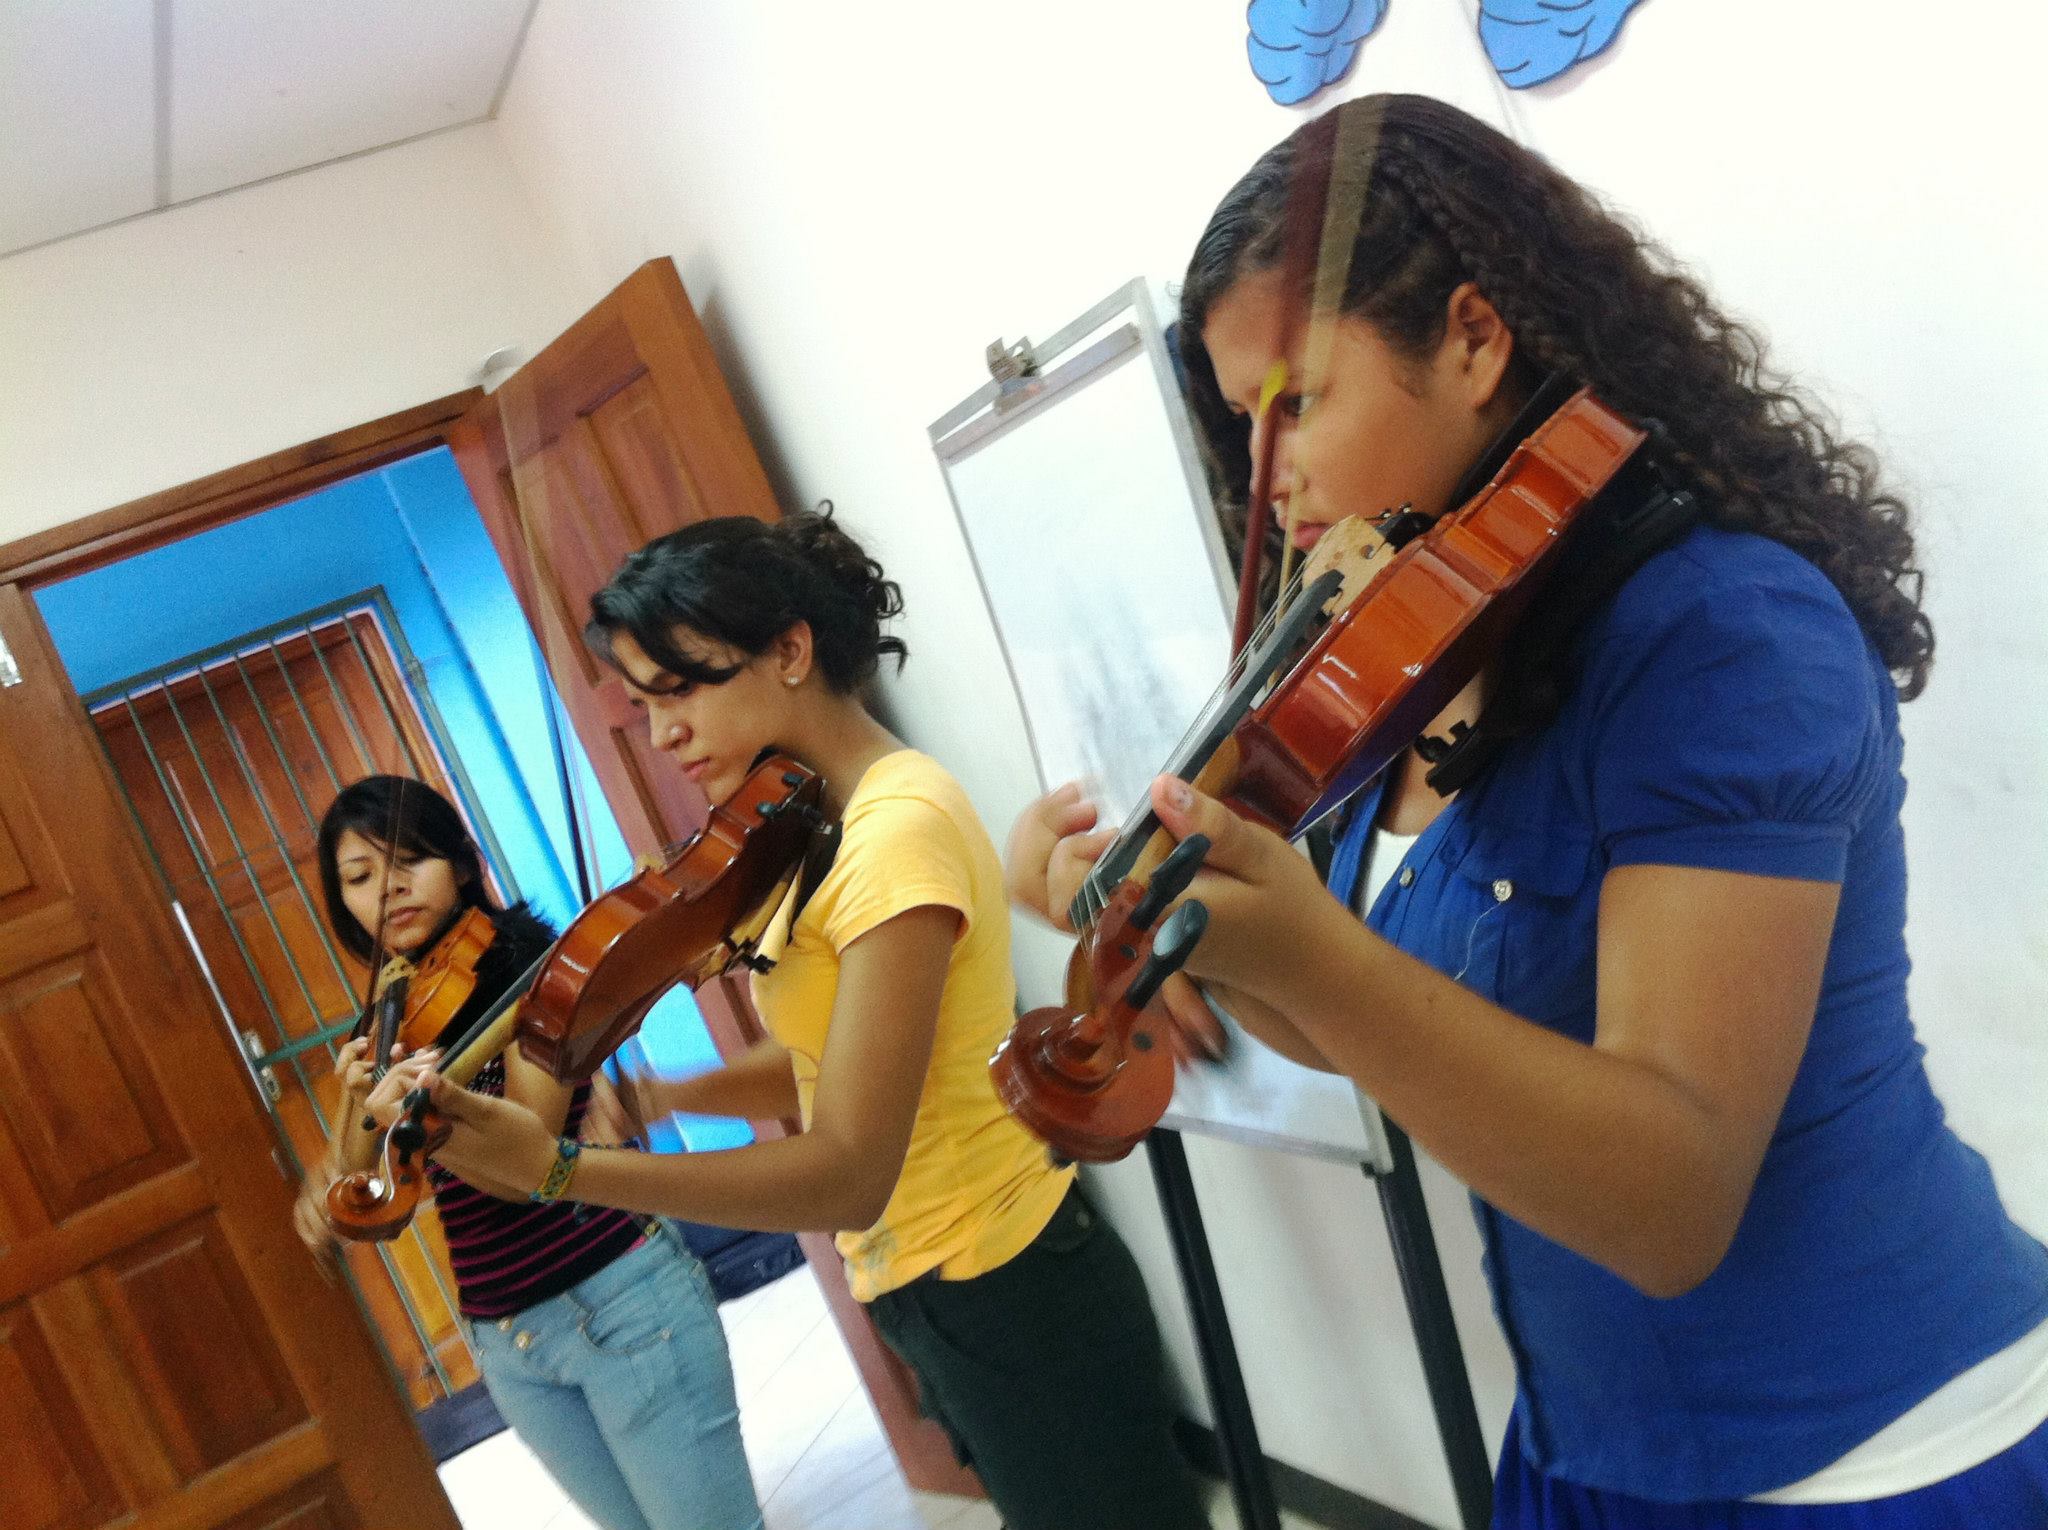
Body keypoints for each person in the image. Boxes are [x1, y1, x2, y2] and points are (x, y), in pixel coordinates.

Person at [1006, 94, 2048, 1528]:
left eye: (1296, 402)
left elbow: (1671, 1201)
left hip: (1872, 1446)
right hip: (1593, 1432)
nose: (1268, 473)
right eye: (1240, 422)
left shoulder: (1726, 630)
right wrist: (1209, 925)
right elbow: (1390, 1033)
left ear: (1478, 338)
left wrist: (1308, 951)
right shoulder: (1412, 654)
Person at [396, 511, 1210, 1530]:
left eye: (680, 689)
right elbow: (834, 1066)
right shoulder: (816, 828)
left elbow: (849, 1163)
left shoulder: (893, 832)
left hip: (1007, 1284)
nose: (661, 735)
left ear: (789, 649)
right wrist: (666, 1092)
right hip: (934, 1287)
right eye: (643, 704)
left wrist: (558, 1173)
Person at [293, 776, 762, 1530]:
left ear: (460, 862)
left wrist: (423, 1119)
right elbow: (359, 1165)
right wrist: (359, 1092)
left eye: (412, 859)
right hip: (506, 1340)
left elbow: (529, 1169)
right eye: (359, 876)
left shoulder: (531, 970)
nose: (390, 889)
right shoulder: (395, 999)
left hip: (616, 1298)